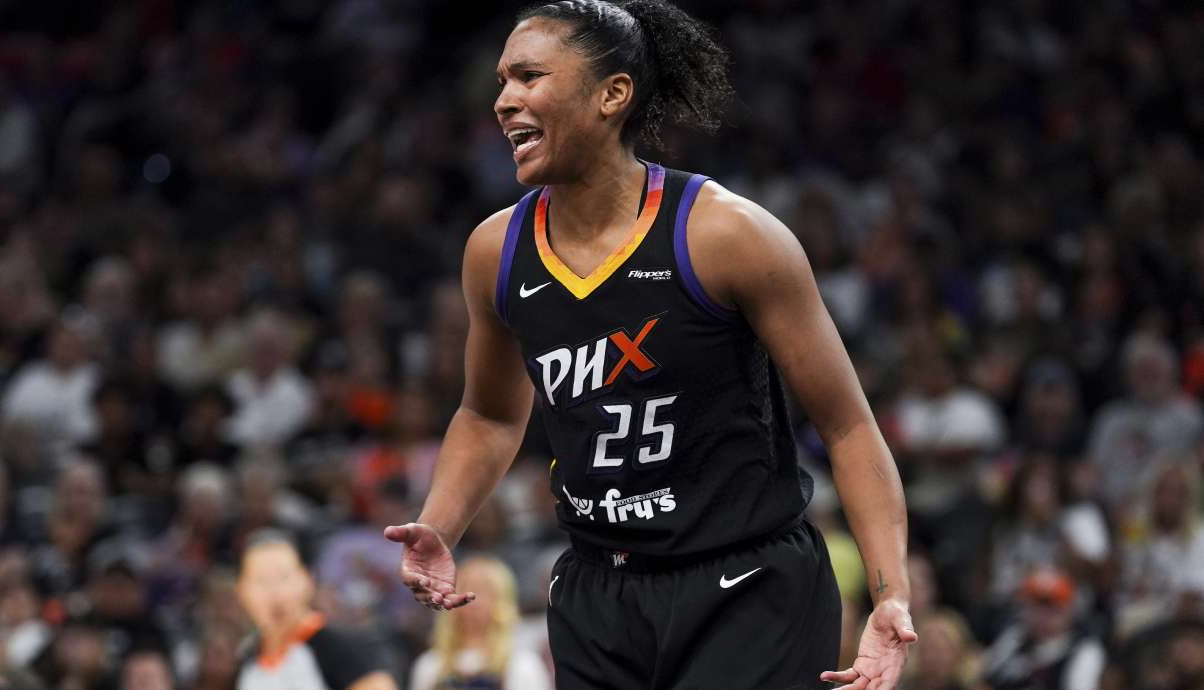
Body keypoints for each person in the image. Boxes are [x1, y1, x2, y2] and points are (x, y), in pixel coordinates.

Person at [385, 1, 916, 688]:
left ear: (613, 94)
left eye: (529, 77)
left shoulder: (725, 236)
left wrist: (889, 590)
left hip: (748, 582)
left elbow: (846, 425)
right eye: (501, 82)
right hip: (596, 594)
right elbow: (489, 416)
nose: (504, 101)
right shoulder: (496, 251)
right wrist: (440, 526)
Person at [235, 531, 398, 690]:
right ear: (242, 591)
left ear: (307, 580)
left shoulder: (338, 647)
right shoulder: (247, 659)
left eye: (283, 577)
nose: (274, 592)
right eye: (261, 580)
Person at [408, 555, 552, 690]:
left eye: (484, 591)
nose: (473, 601)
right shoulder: (431, 665)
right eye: (464, 589)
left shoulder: (521, 665)